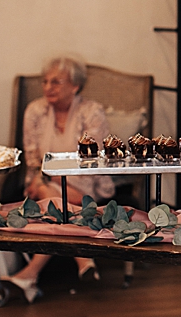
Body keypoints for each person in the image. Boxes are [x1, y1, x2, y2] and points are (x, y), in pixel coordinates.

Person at [13, 56, 111, 300]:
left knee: (52, 197)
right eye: (45, 82)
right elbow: (33, 161)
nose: (47, 87)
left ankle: (30, 273)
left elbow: (92, 163)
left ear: (75, 85)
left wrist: (50, 183)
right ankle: (83, 259)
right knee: (50, 195)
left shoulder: (92, 112)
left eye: (56, 82)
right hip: (44, 182)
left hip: (86, 185)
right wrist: (37, 182)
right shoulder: (35, 111)